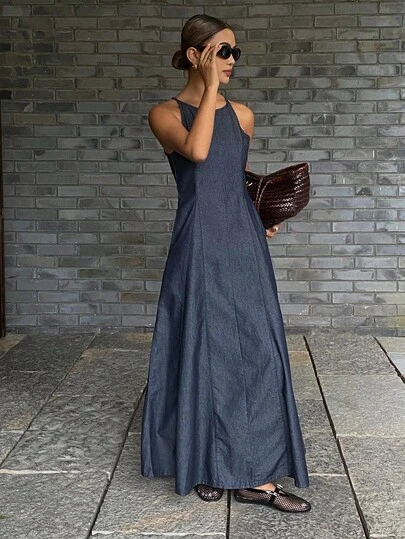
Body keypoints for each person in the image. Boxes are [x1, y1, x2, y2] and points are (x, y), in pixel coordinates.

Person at [141, 14, 311, 513]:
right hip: (197, 242)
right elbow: (198, 152)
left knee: (256, 349)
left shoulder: (243, 115)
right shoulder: (164, 113)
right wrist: (211, 90)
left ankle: (256, 474)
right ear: (195, 55)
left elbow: (232, 176)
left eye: (235, 52)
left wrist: (262, 212)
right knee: (200, 347)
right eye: (222, 51)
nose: (232, 60)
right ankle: (204, 463)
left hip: (243, 241)